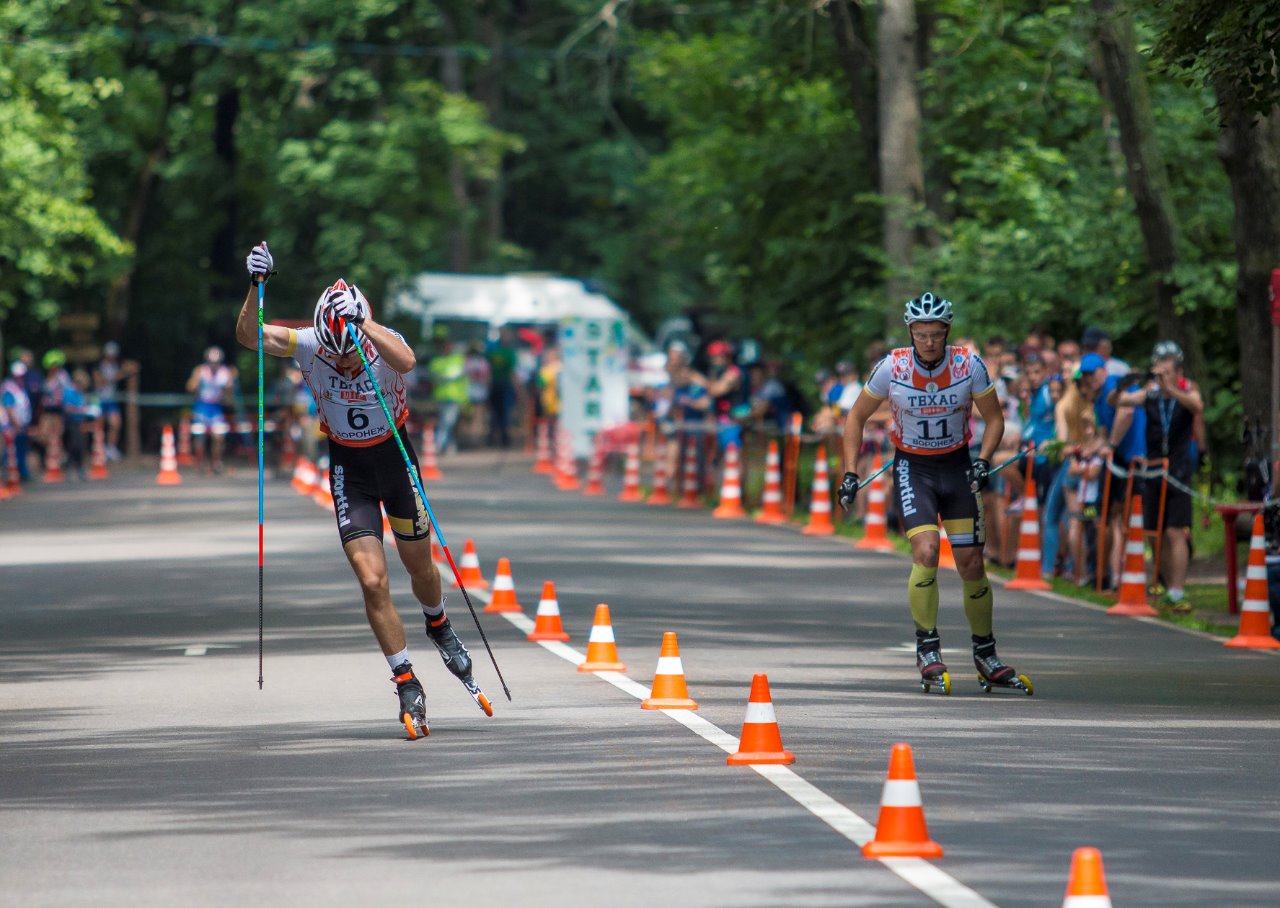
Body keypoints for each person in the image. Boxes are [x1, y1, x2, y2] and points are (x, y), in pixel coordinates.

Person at [235, 242, 491, 738]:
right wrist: (255, 285)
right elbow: (249, 337)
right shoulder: (309, 343)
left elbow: (409, 360)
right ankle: (406, 681)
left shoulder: (380, 341)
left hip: (396, 462)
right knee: (372, 580)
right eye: (337, 357)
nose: (346, 365)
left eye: (350, 355)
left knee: (420, 567)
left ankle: (438, 624)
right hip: (349, 469)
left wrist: (365, 325)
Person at [840, 292, 1029, 693]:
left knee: (971, 564)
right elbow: (855, 417)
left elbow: (994, 419)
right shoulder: (892, 367)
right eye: (921, 334)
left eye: (936, 334)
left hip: (958, 467)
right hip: (914, 468)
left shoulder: (968, 365)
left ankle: (985, 654)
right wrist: (850, 473)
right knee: (926, 551)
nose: (928, 342)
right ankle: (927, 648)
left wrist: (984, 458)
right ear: (911, 331)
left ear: (947, 332)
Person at [1112, 340, 1204, 611]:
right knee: (1156, 533)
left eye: (1166, 371)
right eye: (1158, 371)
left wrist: (1170, 389)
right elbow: (1118, 402)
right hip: (1152, 470)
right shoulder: (1148, 395)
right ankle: (1164, 583)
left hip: (1177, 470)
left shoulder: (1187, 390)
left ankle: (1177, 590)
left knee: (1176, 531)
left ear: (1177, 371)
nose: (1161, 377)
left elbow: (1197, 407)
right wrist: (1123, 385)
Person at [186, 346, 237, 473]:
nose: (214, 365)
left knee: (219, 436)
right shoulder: (200, 371)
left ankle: (216, 463)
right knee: (200, 436)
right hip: (201, 406)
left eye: (216, 362)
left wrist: (230, 384)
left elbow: (229, 394)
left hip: (216, 407)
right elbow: (189, 387)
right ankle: (200, 463)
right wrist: (195, 383)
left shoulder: (225, 372)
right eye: (211, 362)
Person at [94, 341, 136, 461]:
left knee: (115, 424)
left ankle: (110, 448)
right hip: (99, 399)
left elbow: (131, 366)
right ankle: (99, 448)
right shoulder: (99, 366)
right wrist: (118, 375)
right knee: (98, 425)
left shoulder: (116, 365)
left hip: (111, 399)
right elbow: (99, 381)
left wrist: (128, 369)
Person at [427, 330, 467, 455]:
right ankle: (449, 446)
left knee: (448, 422)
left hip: (455, 397)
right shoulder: (436, 361)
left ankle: (439, 444)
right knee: (446, 422)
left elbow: (463, 376)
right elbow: (434, 377)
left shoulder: (458, 359)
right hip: (441, 396)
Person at [485, 327, 518, 448]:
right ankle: (503, 437)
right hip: (505, 384)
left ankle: (493, 436)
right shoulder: (510, 353)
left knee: (495, 412)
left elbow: (487, 367)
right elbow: (512, 372)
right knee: (504, 412)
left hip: (495, 384)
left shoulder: (493, 352)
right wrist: (518, 388)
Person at [2, 361, 33, 481]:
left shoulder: (21, 388)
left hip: (22, 423)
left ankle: (21, 471)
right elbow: (9, 407)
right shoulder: (10, 387)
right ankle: (7, 472)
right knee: (11, 449)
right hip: (13, 424)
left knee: (21, 448)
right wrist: (16, 423)